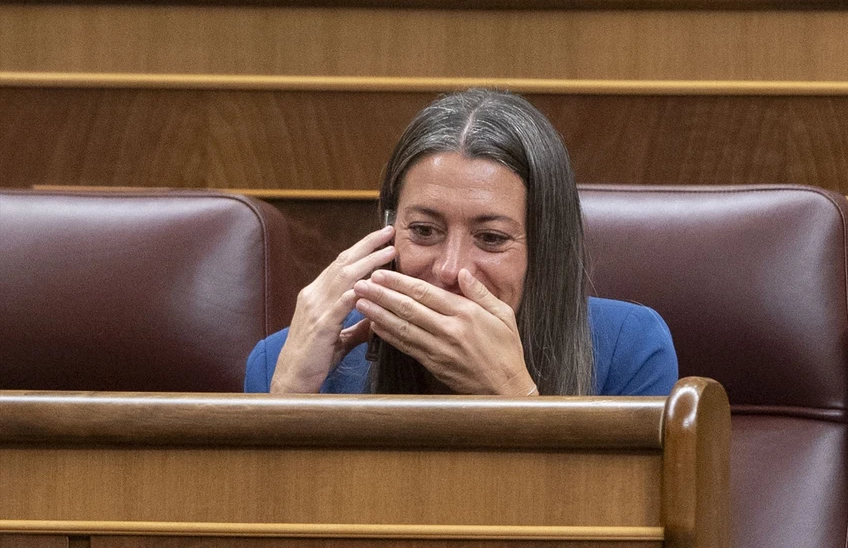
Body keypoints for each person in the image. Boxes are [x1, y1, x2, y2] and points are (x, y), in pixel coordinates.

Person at [245, 89, 678, 396]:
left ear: (545, 247)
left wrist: (511, 396)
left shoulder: (630, 348)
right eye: (424, 231)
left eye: (490, 238)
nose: (450, 270)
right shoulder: (285, 359)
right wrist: (288, 396)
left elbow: (610, 525)